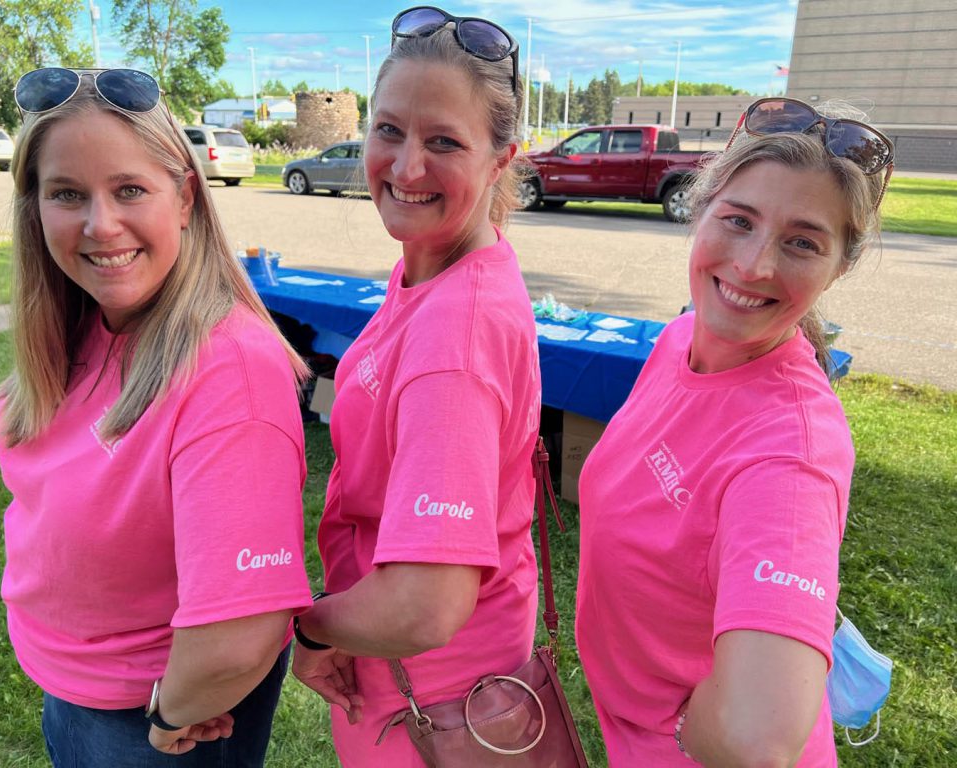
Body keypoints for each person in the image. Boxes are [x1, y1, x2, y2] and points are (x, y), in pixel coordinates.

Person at [0, 67, 313, 766]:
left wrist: (172, 715)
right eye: (67, 194)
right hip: (74, 697)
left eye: (129, 189)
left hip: (154, 729)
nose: (99, 225)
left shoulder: (229, 371)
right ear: (34, 207)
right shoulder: (84, 329)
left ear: (186, 199)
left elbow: (239, 632)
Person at [575, 97, 894, 767]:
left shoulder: (791, 451)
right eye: (739, 221)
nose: (753, 265)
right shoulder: (680, 339)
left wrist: (670, 738)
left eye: (803, 242)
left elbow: (759, 736)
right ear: (702, 209)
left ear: (840, 264)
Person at [289, 8, 541, 766]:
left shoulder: (452, 338)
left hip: (431, 708)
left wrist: (309, 629)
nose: (404, 168)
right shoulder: (442, 270)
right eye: (389, 131)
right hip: (436, 687)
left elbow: (423, 605)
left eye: (443, 142)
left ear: (501, 159)